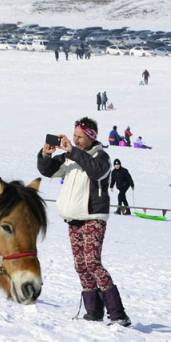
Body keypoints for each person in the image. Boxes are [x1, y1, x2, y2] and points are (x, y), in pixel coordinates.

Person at [37, 117, 130, 326]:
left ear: (90, 138)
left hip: (93, 218)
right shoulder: (70, 158)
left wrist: (74, 152)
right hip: (74, 219)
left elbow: (97, 171)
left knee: (93, 263)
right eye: (74, 136)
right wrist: (45, 154)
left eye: (80, 137)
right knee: (80, 266)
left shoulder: (102, 157)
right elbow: (47, 170)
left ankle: (118, 314)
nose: (76, 140)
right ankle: (93, 311)